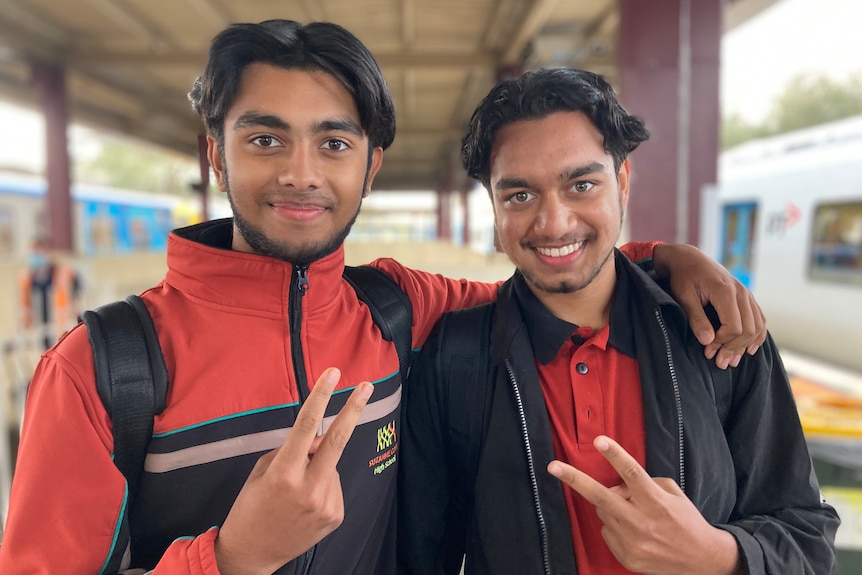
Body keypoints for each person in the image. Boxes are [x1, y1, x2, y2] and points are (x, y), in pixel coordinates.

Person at [0, 22, 764, 575]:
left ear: (369, 167)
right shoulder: (105, 369)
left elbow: (549, 269)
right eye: (265, 139)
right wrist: (229, 559)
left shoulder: (394, 305)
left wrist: (664, 259)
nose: (301, 172)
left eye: (334, 143)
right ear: (216, 156)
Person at [397, 67, 839, 575]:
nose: (555, 223)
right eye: (519, 196)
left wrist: (717, 556)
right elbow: (421, 557)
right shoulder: (454, 359)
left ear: (622, 184)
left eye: (581, 184)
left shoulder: (717, 335)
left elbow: (807, 537)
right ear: (494, 211)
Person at [18, 235, 82, 350]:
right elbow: (25, 306)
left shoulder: (64, 273)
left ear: (49, 252)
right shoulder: (27, 279)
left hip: (62, 329)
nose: (36, 256)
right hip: (39, 331)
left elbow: (77, 297)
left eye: (39, 252)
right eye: (33, 252)